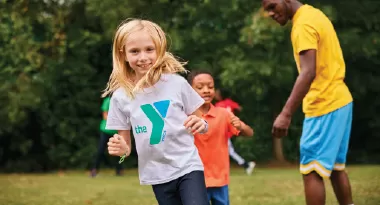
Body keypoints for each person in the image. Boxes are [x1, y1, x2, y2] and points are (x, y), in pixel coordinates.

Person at [102, 19, 209, 205]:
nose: (143, 57)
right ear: (123, 55)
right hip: (157, 173)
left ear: (159, 50)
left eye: (149, 49)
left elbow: (203, 122)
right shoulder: (120, 97)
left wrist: (202, 124)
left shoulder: (177, 84)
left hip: (187, 165)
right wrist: (122, 150)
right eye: (135, 51)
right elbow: (125, 148)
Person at [262, 1, 354, 205]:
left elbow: (308, 71)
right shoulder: (315, 14)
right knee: (336, 169)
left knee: (311, 170)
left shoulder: (302, 25)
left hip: (324, 103)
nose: (270, 13)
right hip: (341, 99)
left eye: (272, 6)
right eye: (266, 9)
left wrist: (285, 114)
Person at [188, 71, 254, 205]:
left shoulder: (223, 114)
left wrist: (240, 126)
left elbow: (249, 133)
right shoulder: (185, 115)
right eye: (200, 87)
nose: (206, 91)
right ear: (189, 91)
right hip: (195, 179)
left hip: (220, 179)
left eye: (210, 87)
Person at [215, 88, 256, 175]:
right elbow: (239, 108)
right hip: (230, 129)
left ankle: (246, 164)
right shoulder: (229, 102)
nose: (215, 95)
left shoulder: (218, 105)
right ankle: (245, 165)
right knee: (226, 151)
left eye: (217, 93)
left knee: (229, 151)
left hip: (222, 131)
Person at [90, 95, 122, 177]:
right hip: (106, 130)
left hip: (116, 131)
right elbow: (105, 116)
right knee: (100, 151)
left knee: (118, 152)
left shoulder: (121, 101)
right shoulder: (108, 101)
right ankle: (94, 169)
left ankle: (119, 171)